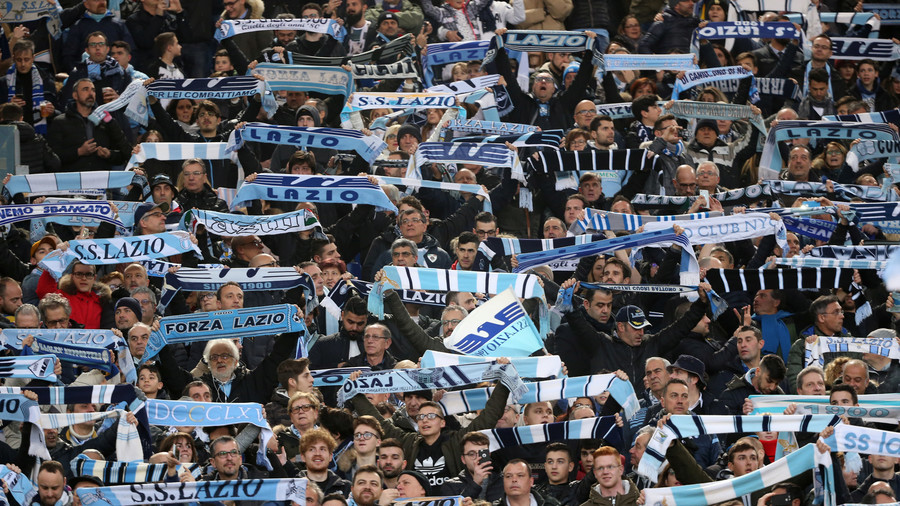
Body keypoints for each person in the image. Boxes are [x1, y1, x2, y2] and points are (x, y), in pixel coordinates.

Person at [47, 78, 131, 173]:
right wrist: (79, 152)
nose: (90, 93)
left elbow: (125, 154)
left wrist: (109, 154)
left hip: (101, 178)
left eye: (93, 90)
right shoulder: (60, 122)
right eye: (85, 89)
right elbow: (52, 158)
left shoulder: (106, 121)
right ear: (75, 95)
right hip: (73, 179)